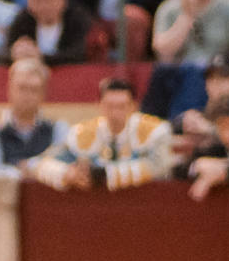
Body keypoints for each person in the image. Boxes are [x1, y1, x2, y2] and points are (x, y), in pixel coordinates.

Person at [30, 76, 174, 191]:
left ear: (133, 106)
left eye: (121, 106)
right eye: (109, 106)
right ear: (99, 105)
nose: (115, 113)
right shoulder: (83, 134)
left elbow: (161, 167)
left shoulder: (155, 132)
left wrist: (106, 175)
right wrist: (67, 174)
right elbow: (41, 163)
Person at [141, 0, 229, 119]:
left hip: (217, 75)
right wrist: (186, 16)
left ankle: (184, 120)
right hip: (177, 80)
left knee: (199, 72)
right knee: (170, 71)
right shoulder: (169, 9)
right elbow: (163, 55)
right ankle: (176, 121)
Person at [0, 58, 68, 176]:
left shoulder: (58, 129)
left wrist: (29, 167)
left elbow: (65, 167)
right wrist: (26, 171)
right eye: (22, 88)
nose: (27, 96)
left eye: (34, 90)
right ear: (10, 90)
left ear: (43, 94)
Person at [3, 0, 98, 66]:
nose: (43, 6)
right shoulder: (22, 20)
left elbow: (81, 53)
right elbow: (3, 53)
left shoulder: (79, 19)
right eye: (37, 0)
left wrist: (41, 57)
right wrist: (15, 54)